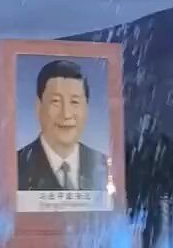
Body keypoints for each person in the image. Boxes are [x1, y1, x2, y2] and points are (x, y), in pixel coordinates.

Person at [16, 59, 108, 194]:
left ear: (86, 108)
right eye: (56, 101)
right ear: (38, 107)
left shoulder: (103, 165)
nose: (66, 114)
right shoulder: (14, 167)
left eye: (74, 102)